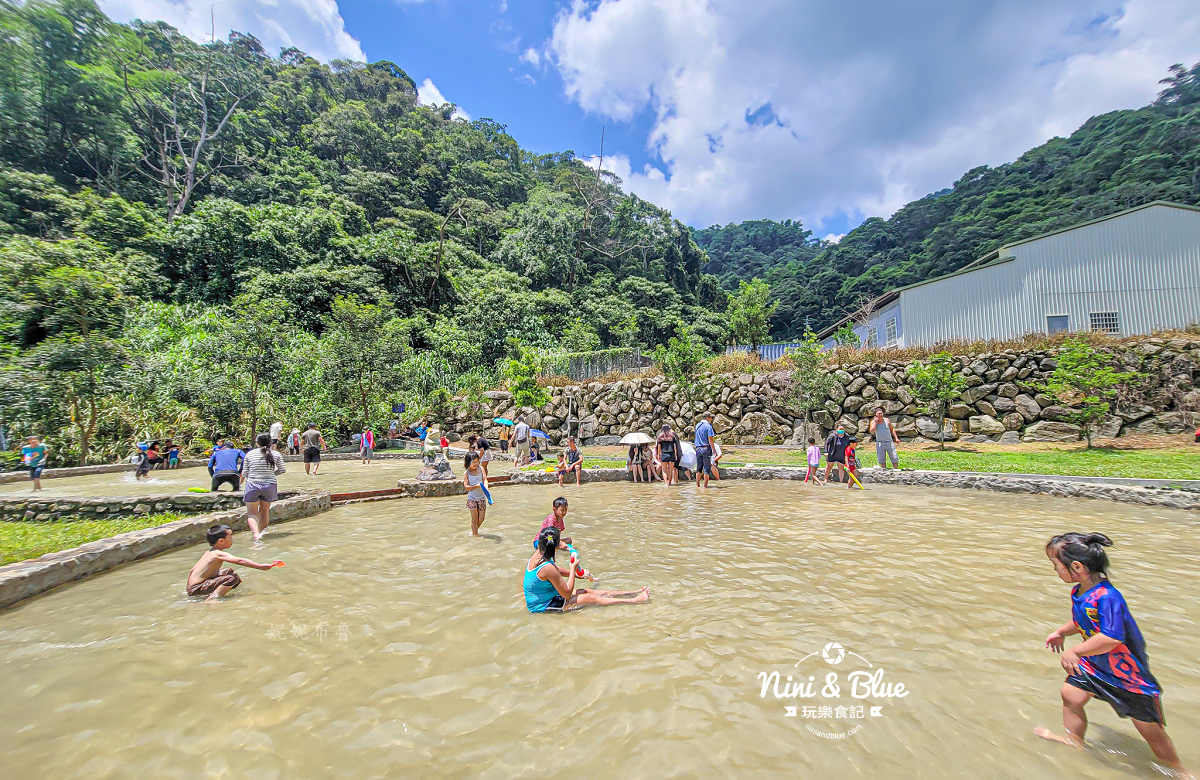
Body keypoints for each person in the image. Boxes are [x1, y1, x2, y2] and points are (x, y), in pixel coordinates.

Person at [1035, 533, 1190, 776]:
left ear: (1076, 567)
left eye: (1055, 565)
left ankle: (1180, 771)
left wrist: (1075, 650)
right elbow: (1082, 621)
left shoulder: (1108, 597)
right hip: (1097, 666)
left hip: (1129, 676)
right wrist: (1062, 632)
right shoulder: (1080, 592)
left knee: (1150, 731)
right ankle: (1074, 739)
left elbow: (1112, 637)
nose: (1054, 570)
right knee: (1071, 694)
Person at [523, 527, 649, 613]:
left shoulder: (540, 553)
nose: (562, 543)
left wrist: (579, 575)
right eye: (559, 541)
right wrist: (573, 569)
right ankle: (635, 600)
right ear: (554, 546)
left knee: (585, 591)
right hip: (543, 606)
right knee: (591, 598)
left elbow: (557, 571)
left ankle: (631, 592)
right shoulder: (547, 567)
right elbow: (566, 593)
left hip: (547, 595)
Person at [186, 524, 283, 600]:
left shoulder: (209, 552)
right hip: (197, 589)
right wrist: (260, 566)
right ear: (221, 541)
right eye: (230, 536)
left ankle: (224, 590)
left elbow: (192, 570)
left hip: (193, 588)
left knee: (229, 572)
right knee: (231, 578)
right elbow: (239, 560)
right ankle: (213, 599)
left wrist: (189, 589)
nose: (232, 538)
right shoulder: (217, 554)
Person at [240, 433, 286, 542]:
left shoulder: (250, 454)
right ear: (270, 443)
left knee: (252, 513)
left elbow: (245, 473)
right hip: (269, 485)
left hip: (253, 484)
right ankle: (259, 534)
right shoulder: (276, 454)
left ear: (257, 443)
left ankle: (256, 535)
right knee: (265, 511)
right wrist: (271, 474)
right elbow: (282, 470)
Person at [463, 452, 488, 537]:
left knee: (481, 518)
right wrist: (476, 486)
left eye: (477, 462)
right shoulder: (467, 473)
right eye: (473, 462)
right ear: (468, 463)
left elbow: (485, 479)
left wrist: (486, 487)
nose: (476, 464)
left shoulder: (481, 469)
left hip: (481, 497)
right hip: (472, 499)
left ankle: (474, 531)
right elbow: (466, 487)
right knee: (474, 520)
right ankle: (475, 535)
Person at [694, 413, 716, 488]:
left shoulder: (697, 425)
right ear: (708, 418)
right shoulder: (708, 426)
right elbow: (710, 440)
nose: (711, 420)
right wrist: (714, 450)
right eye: (711, 418)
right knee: (706, 469)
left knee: (699, 468)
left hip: (698, 448)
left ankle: (698, 486)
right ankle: (705, 487)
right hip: (706, 449)